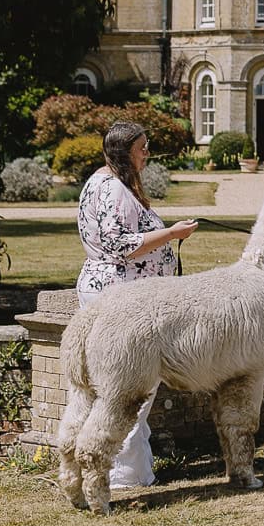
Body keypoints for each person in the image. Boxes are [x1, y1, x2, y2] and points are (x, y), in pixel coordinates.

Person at [75, 120, 199, 489]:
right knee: (131, 390)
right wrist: (174, 233)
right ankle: (123, 475)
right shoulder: (113, 189)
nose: (147, 153)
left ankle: (132, 471)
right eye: (142, 147)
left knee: (117, 388)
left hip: (115, 294)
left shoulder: (100, 181)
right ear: (123, 151)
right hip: (122, 300)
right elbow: (122, 245)